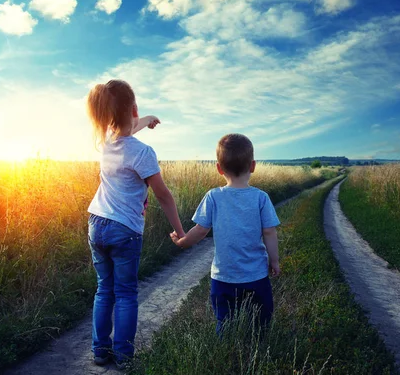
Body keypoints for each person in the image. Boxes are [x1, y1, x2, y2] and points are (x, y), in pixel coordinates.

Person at [86, 79, 185, 368]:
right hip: (124, 230)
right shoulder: (143, 153)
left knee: (104, 290)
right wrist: (180, 232)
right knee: (126, 293)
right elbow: (164, 196)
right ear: (133, 108)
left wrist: (146, 119)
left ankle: (100, 351)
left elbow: (125, 127)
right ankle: (124, 356)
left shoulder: (104, 140)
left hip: (96, 223)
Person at [170, 133, 280, 334]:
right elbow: (269, 232)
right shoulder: (261, 198)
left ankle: (226, 350)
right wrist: (274, 261)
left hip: (223, 277)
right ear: (253, 166)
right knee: (261, 323)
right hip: (256, 276)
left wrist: (183, 242)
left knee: (224, 322)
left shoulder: (213, 197)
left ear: (219, 168)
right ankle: (259, 352)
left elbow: (201, 230)